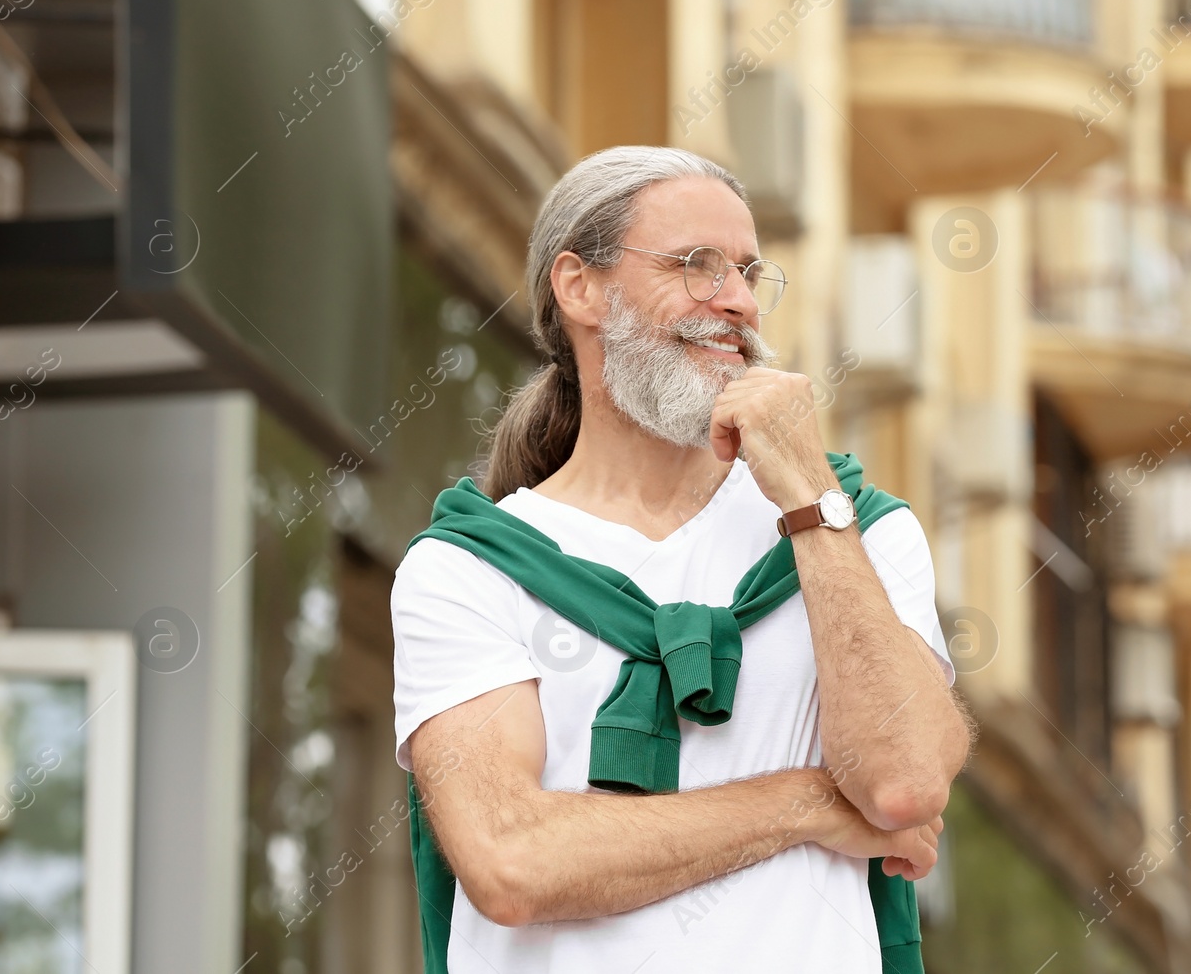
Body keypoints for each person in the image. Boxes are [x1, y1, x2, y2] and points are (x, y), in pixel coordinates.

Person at [391, 144, 973, 973]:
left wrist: (809, 495)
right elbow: (511, 860)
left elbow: (905, 785)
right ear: (578, 287)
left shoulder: (857, 531)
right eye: (696, 266)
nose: (736, 301)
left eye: (747, 271)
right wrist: (808, 801)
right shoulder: (467, 568)